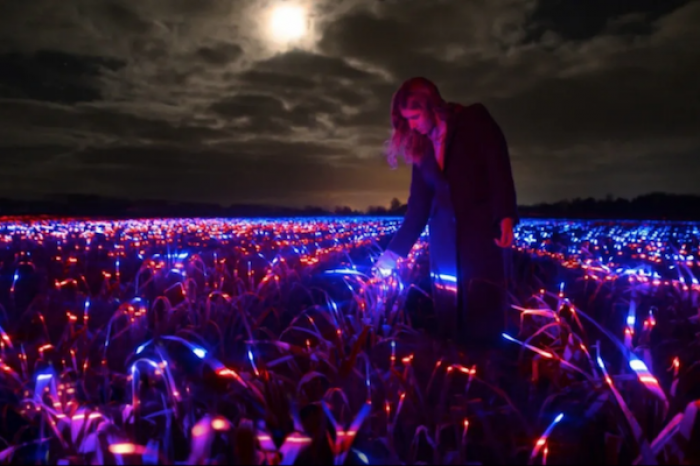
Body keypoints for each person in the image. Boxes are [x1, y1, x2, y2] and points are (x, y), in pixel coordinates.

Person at [374, 76, 518, 361]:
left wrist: (505, 214)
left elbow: (497, 164)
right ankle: (454, 372)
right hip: (442, 244)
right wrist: (392, 254)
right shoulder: (421, 150)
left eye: (415, 116)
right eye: (407, 119)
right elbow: (417, 209)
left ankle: (489, 373)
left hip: (480, 237)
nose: (412, 125)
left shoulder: (474, 120)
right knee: (449, 312)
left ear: (431, 105)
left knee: (483, 307)